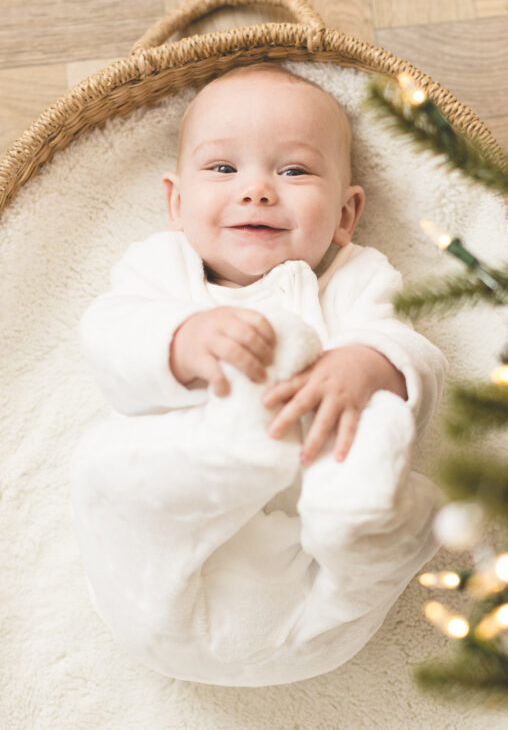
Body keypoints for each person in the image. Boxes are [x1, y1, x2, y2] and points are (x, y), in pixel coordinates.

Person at [70, 64, 448, 687]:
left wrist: (368, 363)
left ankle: (371, 518)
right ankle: (243, 444)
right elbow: (108, 341)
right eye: (223, 169)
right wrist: (181, 343)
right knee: (101, 466)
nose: (258, 190)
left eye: (293, 170)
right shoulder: (162, 274)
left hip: (314, 599)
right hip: (160, 592)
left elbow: (417, 357)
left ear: (346, 215)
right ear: (175, 202)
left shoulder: (357, 279)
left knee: (376, 427)